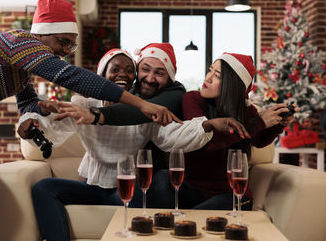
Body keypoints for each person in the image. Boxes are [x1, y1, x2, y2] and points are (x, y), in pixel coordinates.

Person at [0, 0, 174, 241]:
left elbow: (27, 103)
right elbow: (73, 77)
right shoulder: (19, 43)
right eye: (63, 42)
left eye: (71, 45)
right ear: (41, 34)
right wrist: (142, 104)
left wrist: (40, 108)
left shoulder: (22, 66)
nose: (65, 51)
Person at [18, 49, 250, 241]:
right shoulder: (82, 104)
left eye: (129, 71)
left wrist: (207, 125)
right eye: (115, 69)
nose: (123, 74)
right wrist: (30, 125)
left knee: (152, 190)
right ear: (102, 75)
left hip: (128, 189)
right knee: (43, 188)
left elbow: (174, 137)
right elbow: (53, 127)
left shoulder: (143, 112)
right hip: (94, 186)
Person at [149, 52, 297, 210]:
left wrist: (277, 123)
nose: (208, 78)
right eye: (210, 70)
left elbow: (259, 140)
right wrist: (258, 122)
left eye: (217, 75)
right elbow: (207, 141)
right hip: (191, 189)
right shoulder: (193, 99)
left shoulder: (247, 111)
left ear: (232, 85)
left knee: (199, 217)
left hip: (231, 194)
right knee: (162, 178)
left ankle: (183, 222)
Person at [52, 43, 188, 170]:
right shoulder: (132, 91)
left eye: (159, 73)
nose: (150, 78)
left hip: (164, 169)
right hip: (136, 169)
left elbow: (138, 111)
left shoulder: (175, 93)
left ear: (169, 77)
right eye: (145, 70)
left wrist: (94, 115)